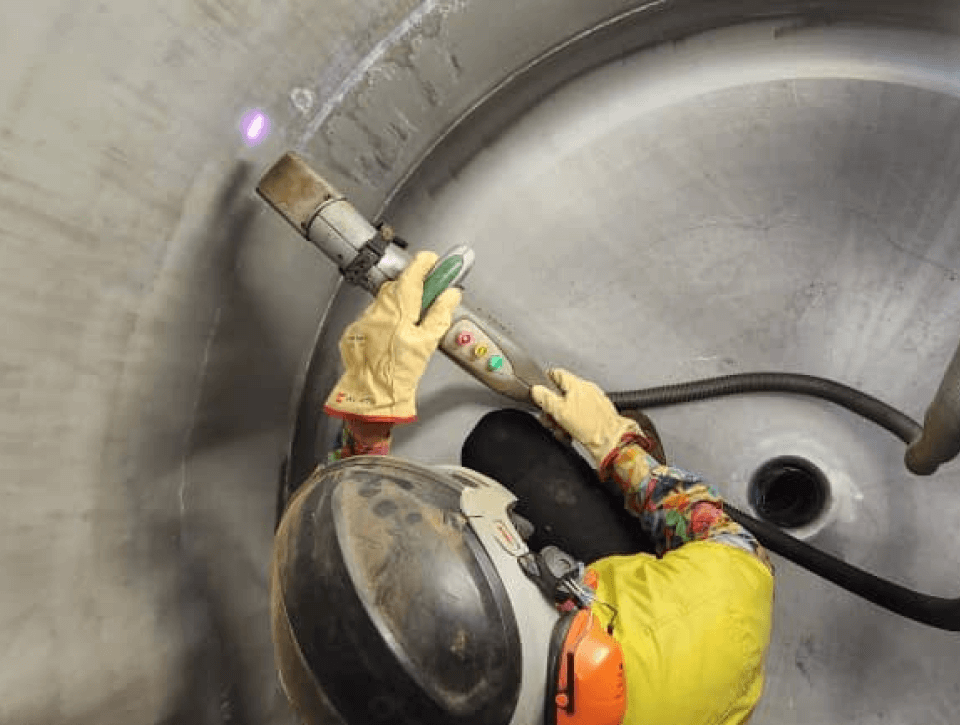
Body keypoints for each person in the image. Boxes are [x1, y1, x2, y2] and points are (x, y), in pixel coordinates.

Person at [271, 252, 775, 725]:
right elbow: (735, 546)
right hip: (675, 672)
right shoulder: (708, 618)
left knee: (501, 444)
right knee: (508, 444)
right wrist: (615, 447)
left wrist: (365, 433)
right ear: (558, 585)